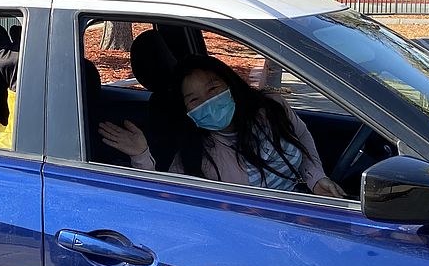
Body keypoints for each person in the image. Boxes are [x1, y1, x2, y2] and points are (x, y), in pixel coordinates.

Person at [99, 55, 345, 198]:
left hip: (305, 206)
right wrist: (142, 157)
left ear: (230, 85)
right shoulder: (195, 155)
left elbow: (300, 135)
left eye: (213, 89)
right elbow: (165, 200)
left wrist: (317, 179)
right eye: (194, 100)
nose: (207, 101)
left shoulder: (271, 108)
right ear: (187, 112)